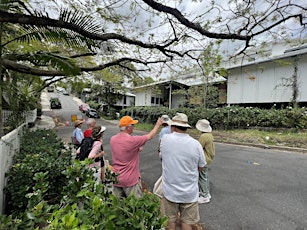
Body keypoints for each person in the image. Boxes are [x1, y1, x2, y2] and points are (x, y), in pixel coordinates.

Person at [159, 112, 206, 230]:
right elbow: (201, 166)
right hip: (189, 192)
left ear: (173, 127)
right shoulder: (196, 144)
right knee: (187, 223)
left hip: (170, 190)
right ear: (186, 128)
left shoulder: (165, 139)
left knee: (170, 222)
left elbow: (161, 156)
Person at [110, 115, 163, 198]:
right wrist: (157, 124)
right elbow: (150, 136)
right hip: (130, 180)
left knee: (118, 206)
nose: (134, 127)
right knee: (135, 206)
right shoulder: (132, 141)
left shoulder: (113, 139)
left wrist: (136, 149)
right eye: (133, 125)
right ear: (128, 127)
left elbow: (124, 150)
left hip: (116, 178)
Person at [196, 119, 215, 204]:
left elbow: (198, 147)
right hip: (208, 158)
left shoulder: (203, 137)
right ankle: (206, 192)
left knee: (202, 177)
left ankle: (204, 195)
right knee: (205, 177)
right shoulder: (209, 135)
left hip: (204, 159)